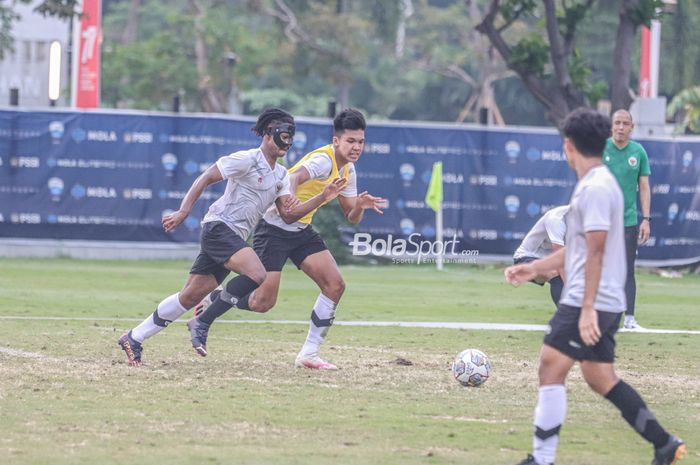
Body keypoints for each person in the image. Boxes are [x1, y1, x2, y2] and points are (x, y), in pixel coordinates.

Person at [504, 108, 685, 465]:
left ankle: (542, 459)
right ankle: (664, 443)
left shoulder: (596, 187)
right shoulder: (595, 184)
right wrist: (535, 268)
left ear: (567, 146)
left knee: (550, 366)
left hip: (593, 299)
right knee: (600, 377)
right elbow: (581, 248)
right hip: (603, 298)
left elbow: (597, 250)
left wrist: (587, 308)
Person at [118, 108, 347, 366]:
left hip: (234, 236)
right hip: (219, 227)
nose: (287, 142)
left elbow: (288, 215)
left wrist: (322, 197)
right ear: (268, 134)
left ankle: (133, 337)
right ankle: (202, 321)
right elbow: (206, 177)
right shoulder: (247, 159)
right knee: (257, 274)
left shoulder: (281, 175)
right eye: (284, 135)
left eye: (291, 137)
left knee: (190, 295)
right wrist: (183, 211)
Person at [189, 108, 385, 370]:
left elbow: (351, 216)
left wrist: (360, 205)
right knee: (262, 303)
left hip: (301, 230)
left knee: (335, 285)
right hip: (274, 229)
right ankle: (216, 299)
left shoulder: (348, 171)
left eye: (360, 142)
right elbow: (292, 176)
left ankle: (309, 354)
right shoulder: (323, 161)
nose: (356, 147)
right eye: (351, 141)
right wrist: (288, 201)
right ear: (336, 141)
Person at [603, 109, 652, 329]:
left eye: (625, 123)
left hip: (628, 221)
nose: (621, 127)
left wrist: (646, 219)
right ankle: (597, 315)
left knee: (627, 270)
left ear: (632, 127)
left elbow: (643, 186)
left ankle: (629, 318)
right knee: (598, 267)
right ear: (612, 126)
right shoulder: (601, 148)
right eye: (617, 123)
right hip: (601, 221)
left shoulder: (638, 151)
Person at [512, 205, 569, 307]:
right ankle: (567, 316)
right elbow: (560, 261)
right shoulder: (556, 218)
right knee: (555, 273)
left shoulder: (589, 221)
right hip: (526, 258)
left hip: (551, 261)